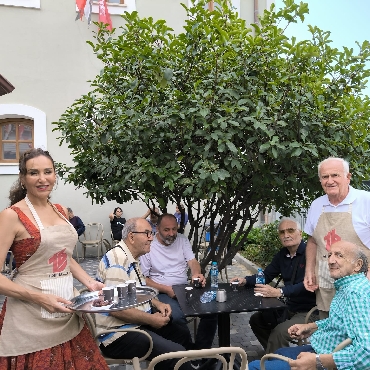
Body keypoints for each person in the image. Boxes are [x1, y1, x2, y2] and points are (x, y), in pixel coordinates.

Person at [0, 148, 108, 369]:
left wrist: (90, 283)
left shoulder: (59, 210)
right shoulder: (11, 216)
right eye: (33, 173)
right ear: (23, 178)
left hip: (67, 311)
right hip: (28, 318)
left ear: (55, 175)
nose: (42, 179)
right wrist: (40, 298)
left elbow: (62, 256)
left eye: (47, 172)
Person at [248, 240, 370, 370]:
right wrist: (311, 327)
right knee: (278, 353)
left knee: (254, 366)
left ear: (357, 265)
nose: (331, 260)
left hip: (328, 358)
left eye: (339, 255)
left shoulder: (355, 293)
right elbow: (338, 322)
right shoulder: (347, 286)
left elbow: (366, 353)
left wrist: (318, 362)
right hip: (323, 347)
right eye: (329, 255)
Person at [95, 217, 193, 370]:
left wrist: (158, 303)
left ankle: (191, 365)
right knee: (176, 354)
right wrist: (151, 319)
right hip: (118, 335)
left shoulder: (131, 257)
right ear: (131, 237)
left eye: (151, 233)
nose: (151, 238)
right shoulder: (118, 261)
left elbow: (138, 290)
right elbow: (117, 309)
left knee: (181, 333)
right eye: (147, 233)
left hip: (134, 325)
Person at [231, 218, 316, 354]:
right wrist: (245, 280)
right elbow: (266, 275)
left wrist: (279, 292)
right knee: (256, 320)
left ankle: (276, 361)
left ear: (300, 233)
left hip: (309, 311)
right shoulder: (282, 254)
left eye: (290, 230)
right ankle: (275, 355)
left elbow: (307, 285)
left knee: (279, 332)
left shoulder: (310, 254)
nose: (286, 235)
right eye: (282, 232)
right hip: (288, 307)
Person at [304, 157, 370, 319]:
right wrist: (309, 269)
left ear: (348, 177)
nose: (330, 181)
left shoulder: (365, 201)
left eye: (335, 175)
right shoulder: (317, 205)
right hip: (327, 285)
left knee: (359, 337)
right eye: (325, 177)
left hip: (360, 287)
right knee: (329, 333)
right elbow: (312, 241)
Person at [140, 214, 218, 351]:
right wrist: (167, 289)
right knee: (175, 317)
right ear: (157, 228)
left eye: (174, 229)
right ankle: (187, 354)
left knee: (211, 311)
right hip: (161, 292)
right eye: (167, 230)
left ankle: (201, 352)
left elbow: (193, 261)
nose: (171, 233)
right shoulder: (150, 245)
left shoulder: (182, 239)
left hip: (184, 288)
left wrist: (196, 274)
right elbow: (144, 279)